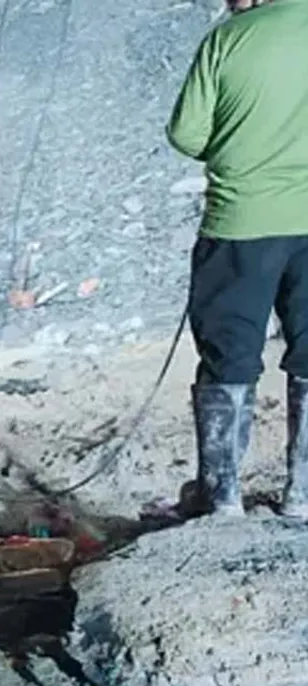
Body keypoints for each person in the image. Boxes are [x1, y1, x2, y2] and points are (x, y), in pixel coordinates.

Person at [167, 0, 308, 517]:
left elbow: (186, 133)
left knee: (230, 354)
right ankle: (304, 498)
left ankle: (222, 499)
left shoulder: (230, 39)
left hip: (243, 224)